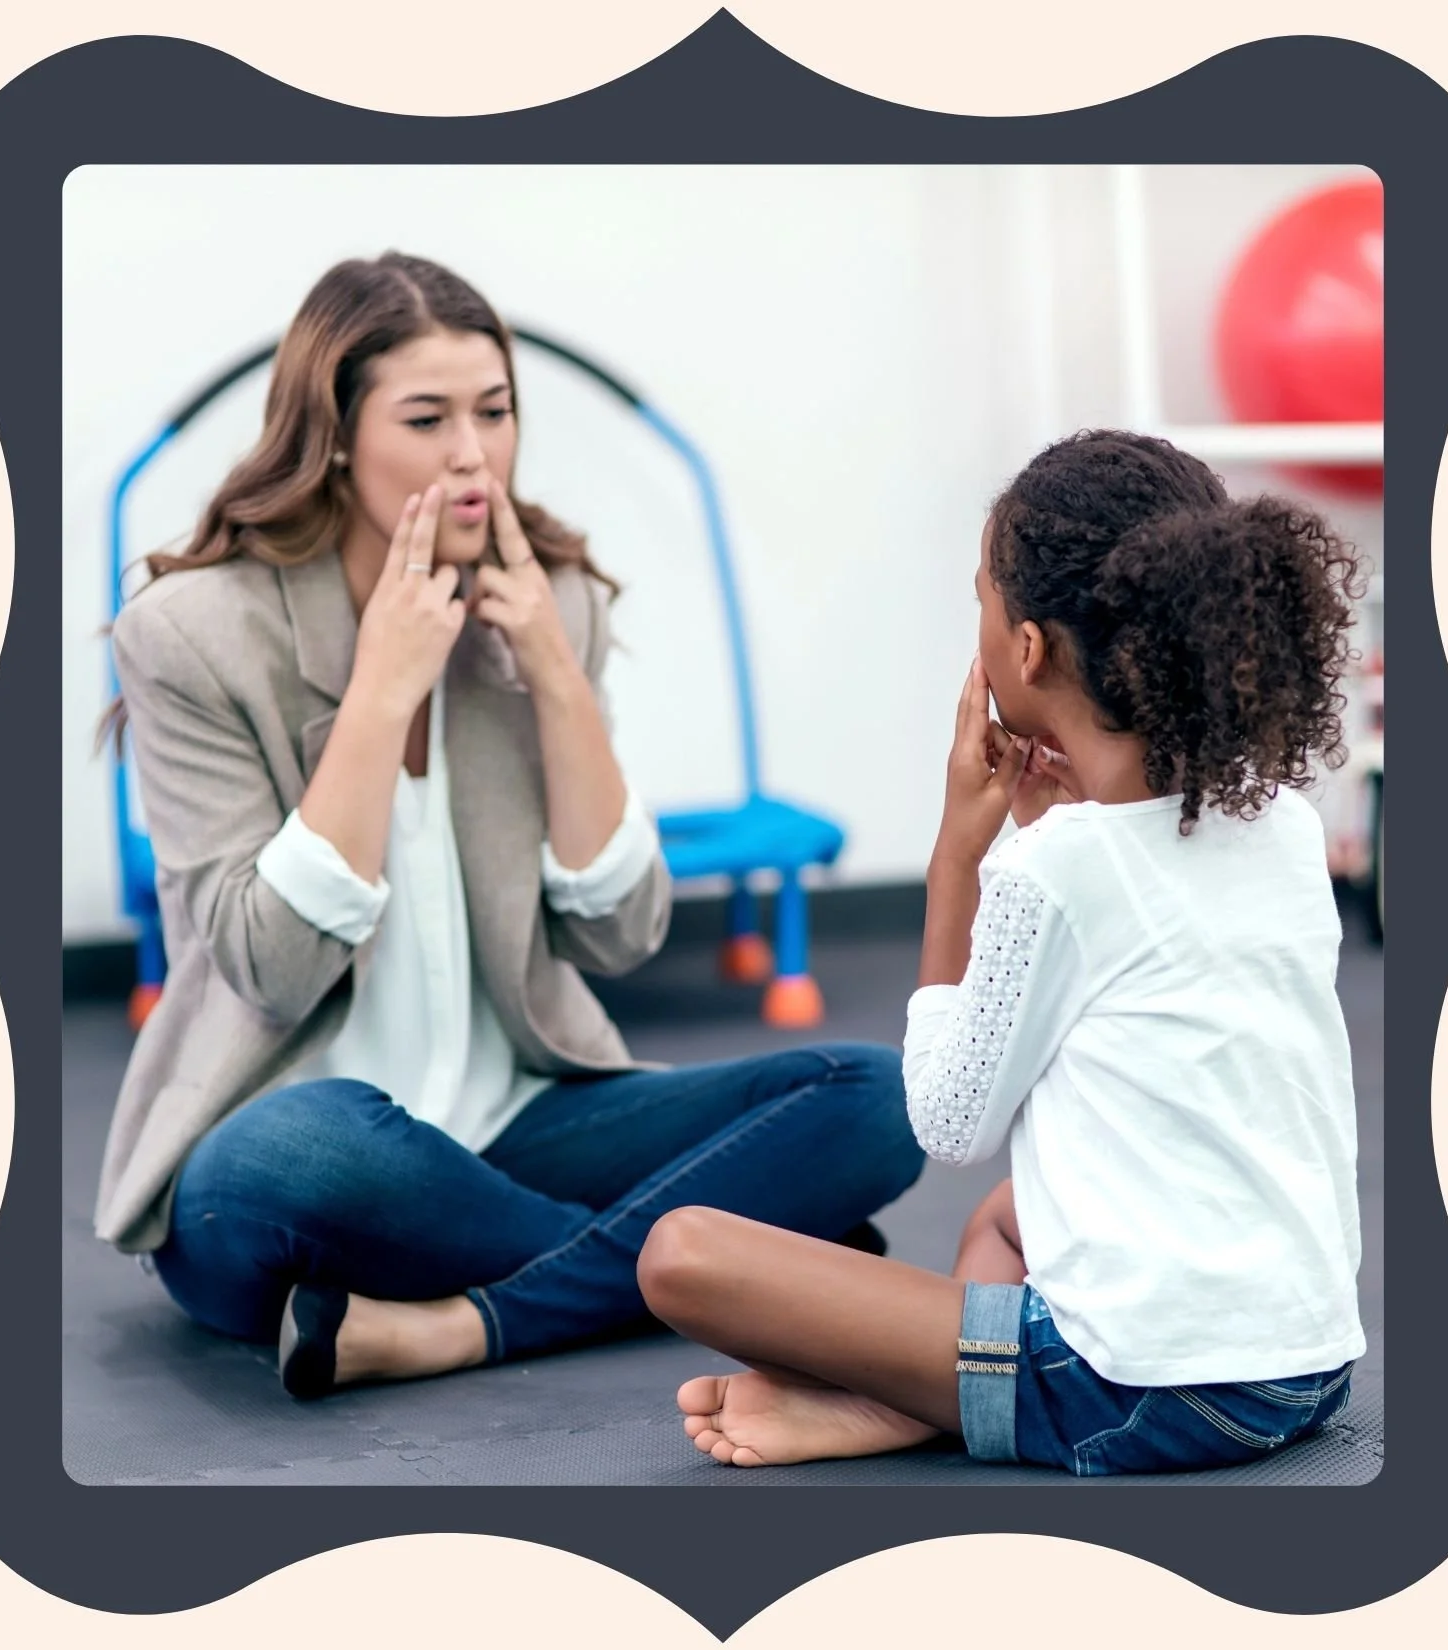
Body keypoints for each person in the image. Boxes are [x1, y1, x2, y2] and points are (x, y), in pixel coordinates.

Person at [92, 251, 923, 1400]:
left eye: (495, 412)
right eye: (427, 418)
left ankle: (463, 1322)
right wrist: (383, 687)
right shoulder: (191, 633)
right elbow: (271, 969)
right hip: (291, 1141)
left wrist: (549, 669)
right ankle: (722, 1261)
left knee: (877, 1097)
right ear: (333, 435)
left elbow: (621, 935)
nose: (473, 453)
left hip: (515, 1119)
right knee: (303, 1149)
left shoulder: (551, 600)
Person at [638, 430, 1367, 1475]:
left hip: (1147, 1395)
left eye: (980, 595)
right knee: (1009, 1219)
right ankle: (931, 1395)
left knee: (684, 1254)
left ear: (1024, 649)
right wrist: (1039, 839)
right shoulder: (1283, 824)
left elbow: (949, 1118)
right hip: (1304, 1368)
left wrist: (959, 858)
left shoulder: (1054, 870)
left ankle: (922, 1398)